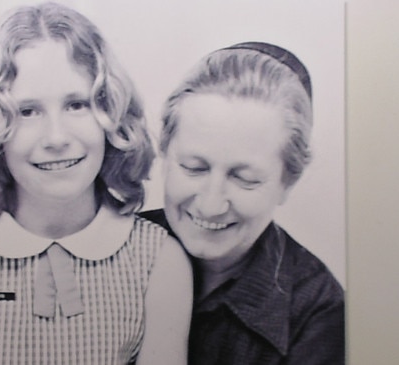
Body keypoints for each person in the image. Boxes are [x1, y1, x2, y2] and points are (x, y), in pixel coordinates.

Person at [0, 3, 192, 364]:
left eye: (77, 104)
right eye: (27, 111)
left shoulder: (158, 260)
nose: (56, 137)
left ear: (112, 112)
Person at [140, 42, 344, 364]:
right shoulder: (111, 249)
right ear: (165, 152)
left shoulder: (318, 312)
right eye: (194, 168)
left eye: (245, 179)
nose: (211, 205)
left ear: (287, 183)